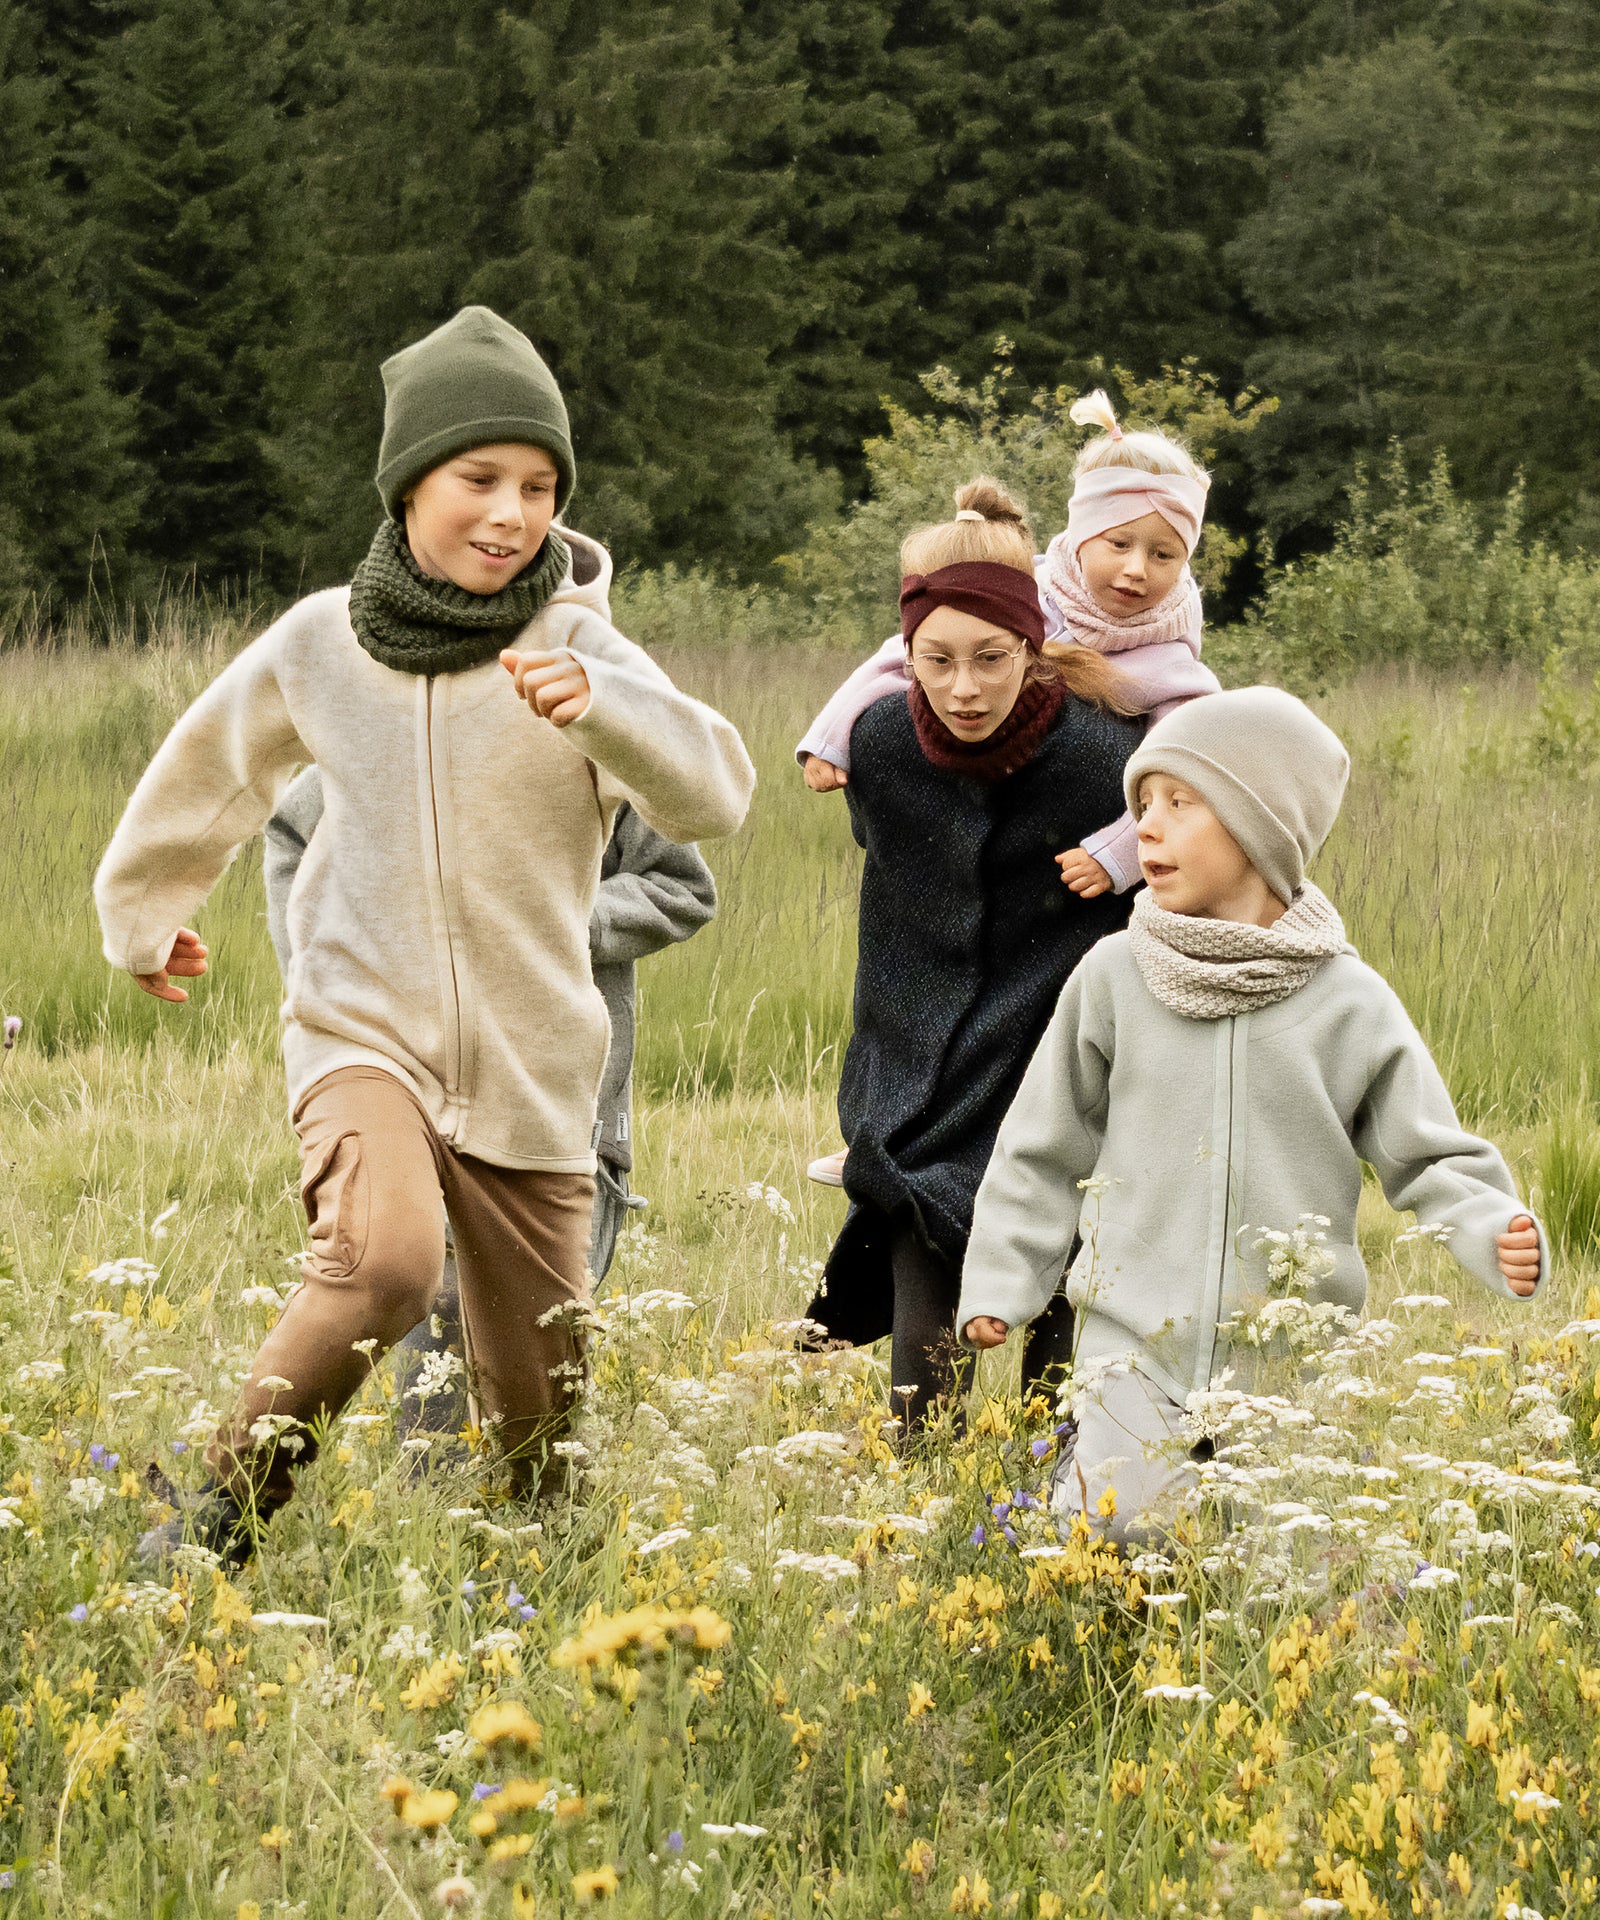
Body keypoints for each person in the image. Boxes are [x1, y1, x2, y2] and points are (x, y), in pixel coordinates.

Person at [94, 305, 755, 1564]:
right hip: (362, 1027)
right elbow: (211, 773)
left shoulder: (578, 645)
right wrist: (144, 914)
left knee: (536, 1396)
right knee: (384, 1263)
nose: (513, 515)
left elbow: (713, 796)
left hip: (531, 1059)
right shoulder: (320, 641)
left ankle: (537, 1582)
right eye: (481, 479)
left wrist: (608, 711)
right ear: (408, 484)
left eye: (540, 485)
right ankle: (210, 1528)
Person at [957, 687, 1547, 1544]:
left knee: (1291, 1574)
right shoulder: (1115, 976)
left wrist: (1492, 1224)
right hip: (1133, 1343)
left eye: (1179, 803)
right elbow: (1041, 1148)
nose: (1145, 828)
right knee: (1112, 1530)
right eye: (1141, 805)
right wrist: (1004, 1284)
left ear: (1261, 827)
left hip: (1292, 1354)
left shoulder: (1348, 1002)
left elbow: (1429, 1154)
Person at [797, 391, 1220, 1187]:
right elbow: (899, 655)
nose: (1137, 570)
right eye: (1119, 542)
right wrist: (832, 738)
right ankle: (887, 1133)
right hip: (971, 791)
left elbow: (1186, 766)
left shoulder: (1172, 658)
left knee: (1051, 1025)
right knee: (915, 969)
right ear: (1078, 534)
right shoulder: (1022, 597)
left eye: (1165, 555)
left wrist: (1120, 853)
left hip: (1074, 851)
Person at [804, 478, 1145, 1439]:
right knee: (927, 1363)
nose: (963, 688)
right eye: (936, 660)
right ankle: (924, 1536)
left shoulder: (1101, 755)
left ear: (1033, 646)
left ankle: (1061, 1517)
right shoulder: (877, 745)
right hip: (912, 1076)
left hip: (1059, 1077)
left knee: (1065, 1336)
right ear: (902, 655)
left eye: (991, 659)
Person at [262, 769, 718, 1435]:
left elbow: (681, 886)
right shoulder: (394, 701)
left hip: (560, 1115)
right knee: (434, 1357)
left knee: (536, 1400)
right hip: (416, 1092)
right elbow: (293, 831)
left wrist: (549, 921)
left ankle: (532, 1530)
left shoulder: (593, 722)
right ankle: (426, 1522)